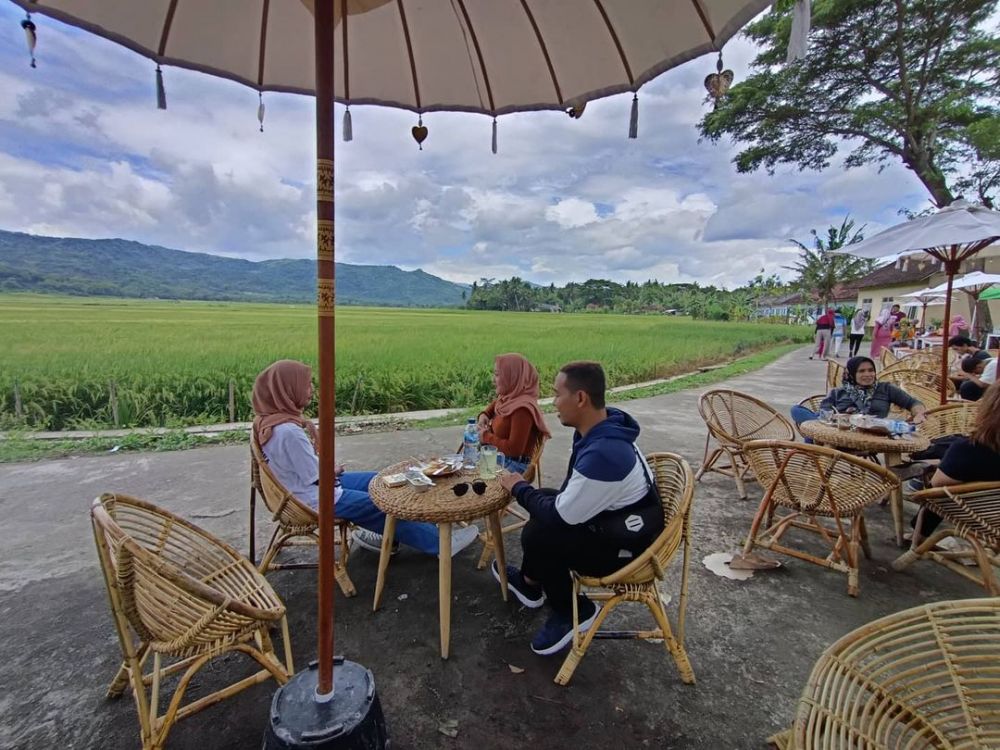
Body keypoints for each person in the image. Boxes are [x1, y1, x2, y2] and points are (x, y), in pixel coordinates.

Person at [493, 361, 664, 656]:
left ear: (581, 398)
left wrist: (518, 487)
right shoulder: (601, 427)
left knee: (539, 534)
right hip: (614, 523)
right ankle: (532, 584)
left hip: (626, 551)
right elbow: (563, 502)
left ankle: (575, 610)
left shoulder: (605, 454)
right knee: (544, 498)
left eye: (557, 394)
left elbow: (562, 516)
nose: (553, 403)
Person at [252, 360, 479, 556]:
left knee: (379, 480)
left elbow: (303, 470)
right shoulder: (289, 433)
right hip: (314, 498)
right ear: (287, 390)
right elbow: (317, 477)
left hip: (301, 490)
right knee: (385, 504)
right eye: (305, 384)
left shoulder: (269, 422)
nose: (311, 389)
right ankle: (440, 544)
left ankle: (391, 537)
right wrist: (335, 470)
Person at [910, 381, 1000, 545]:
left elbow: (936, 489)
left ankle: (917, 541)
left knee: (938, 490)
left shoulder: (970, 450)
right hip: (994, 511)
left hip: (979, 516)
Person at [790, 355, 927, 427]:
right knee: (796, 409)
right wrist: (840, 417)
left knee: (812, 429)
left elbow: (913, 403)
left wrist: (919, 414)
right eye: (861, 371)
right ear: (851, 374)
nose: (868, 374)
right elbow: (824, 414)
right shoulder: (838, 392)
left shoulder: (885, 388)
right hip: (838, 430)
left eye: (871, 370)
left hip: (870, 432)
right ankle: (813, 436)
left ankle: (812, 439)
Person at [477, 353, 551, 473]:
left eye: (497, 375)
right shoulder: (508, 397)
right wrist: (484, 415)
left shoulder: (522, 410)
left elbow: (514, 449)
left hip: (513, 464)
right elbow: (494, 406)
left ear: (512, 377)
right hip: (499, 458)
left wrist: (486, 436)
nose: (493, 380)